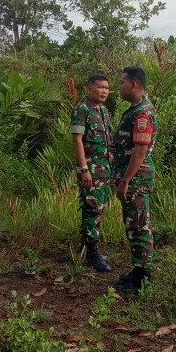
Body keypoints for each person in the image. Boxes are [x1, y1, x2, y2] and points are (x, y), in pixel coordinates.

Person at [111, 66, 158, 295]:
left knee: (139, 226)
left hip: (136, 179)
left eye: (121, 83)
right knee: (134, 224)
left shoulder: (142, 113)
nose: (118, 87)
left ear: (134, 84)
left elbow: (140, 150)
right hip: (133, 177)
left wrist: (126, 181)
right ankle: (138, 270)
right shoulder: (136, 109)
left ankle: (142, 279)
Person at [70, 74, 114, 272]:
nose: (104, 91)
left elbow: (107, 140)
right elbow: (77, 140)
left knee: (98, 207)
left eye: (106, 87)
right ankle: (93, 252)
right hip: (90, 169)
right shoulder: (82, 110)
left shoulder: (104, 111)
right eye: (100, 87)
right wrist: (84, 169)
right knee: (91, 207)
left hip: (103, 169)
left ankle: (85, 248)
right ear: (89, 88)